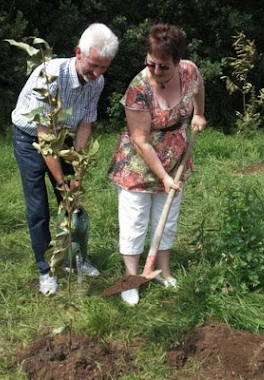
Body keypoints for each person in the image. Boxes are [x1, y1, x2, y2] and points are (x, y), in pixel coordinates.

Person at [12, 23, 119, 295]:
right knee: (38, 207)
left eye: (103, 67)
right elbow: (44, 135)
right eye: (93, 65)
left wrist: (77, 175)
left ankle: (75, 260)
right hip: (30, 139)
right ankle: (46, 269)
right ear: (78, 52)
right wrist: (61, 182)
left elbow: (84, 124)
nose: (97, 73)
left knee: (73, 202)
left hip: (63, 138)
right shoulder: (49, 76)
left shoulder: (98, 82)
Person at [109, 23, 206, 305]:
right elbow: (141, 139)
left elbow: (199, 86)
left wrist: (199, 113)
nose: (156, 71)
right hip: (138, 164)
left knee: (167, 217)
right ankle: (131, 278)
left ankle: (162, 270)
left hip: (175, 156)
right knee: (135, 221)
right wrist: (163, 177)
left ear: (177, 61)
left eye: (163, 66)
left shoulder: (188, 70)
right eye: (151, 64)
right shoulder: (138, 90)